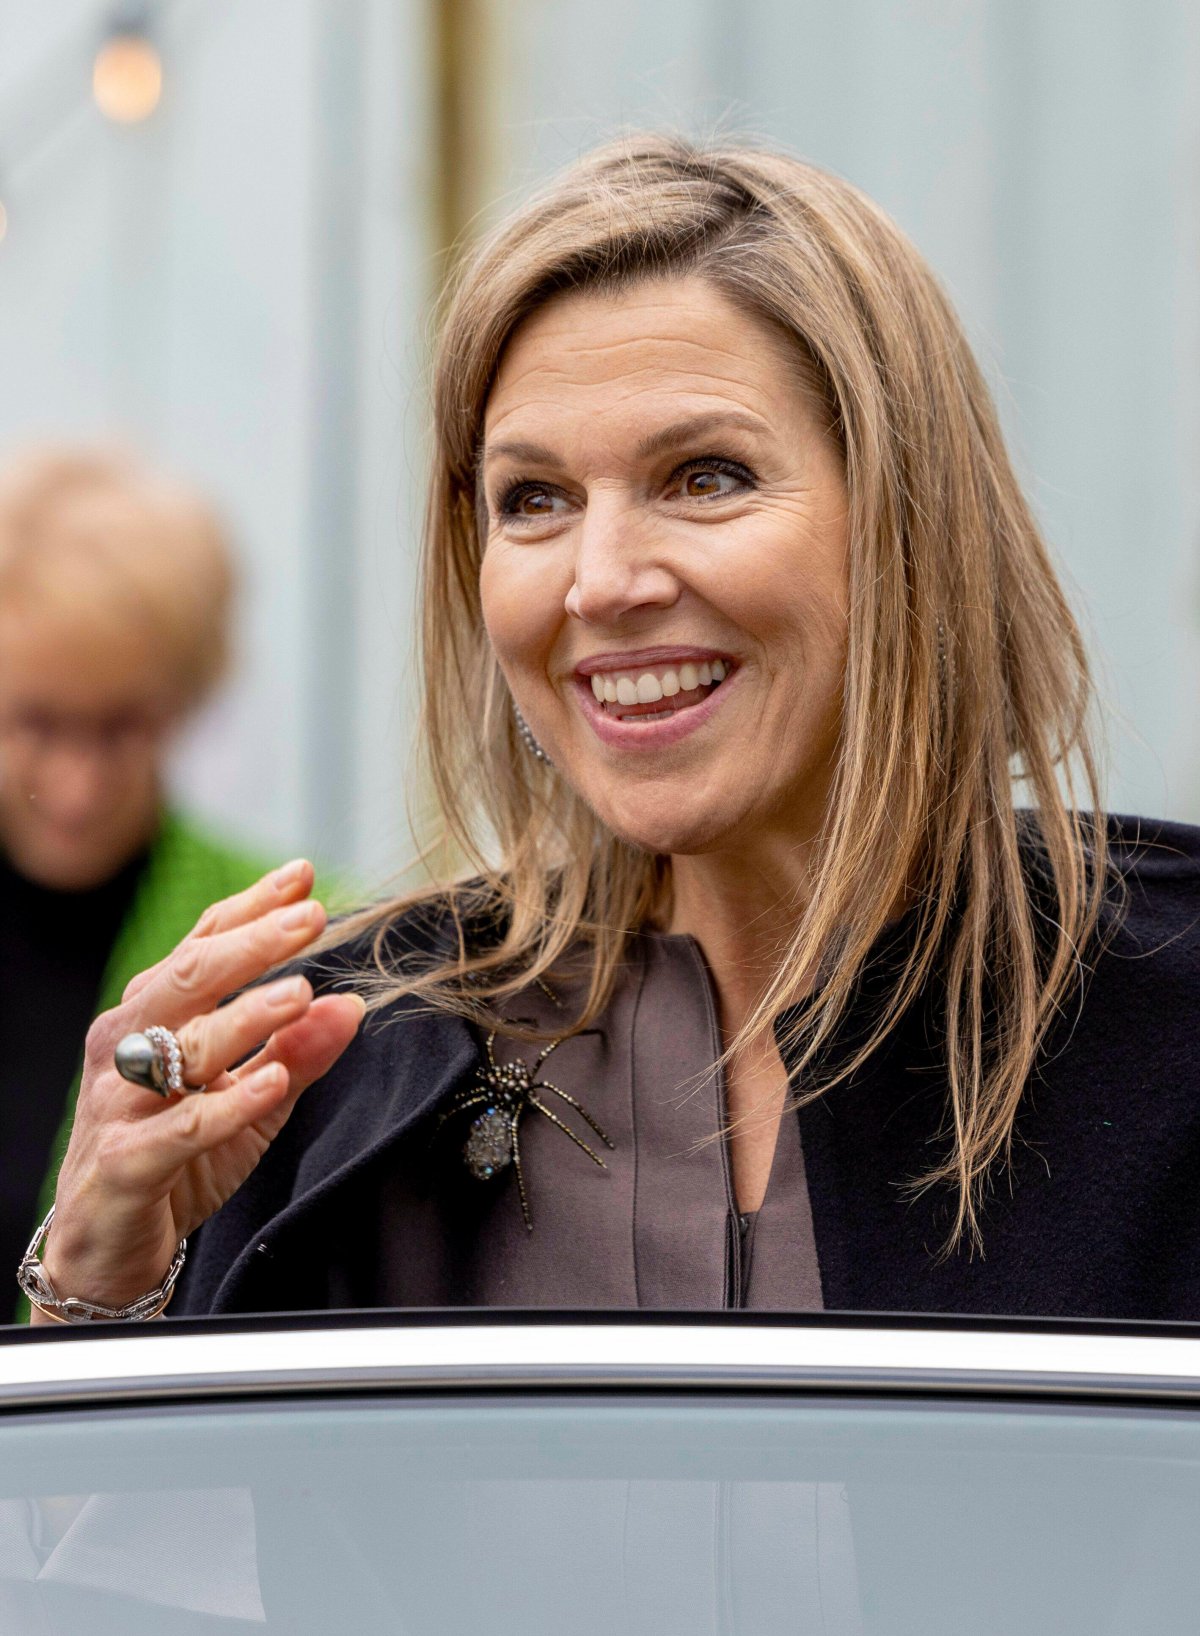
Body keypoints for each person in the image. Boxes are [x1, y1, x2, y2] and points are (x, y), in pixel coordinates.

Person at [22, 137, 1200, 1327]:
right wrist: (101, 1293)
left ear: (909, 522)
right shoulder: (346, 1070)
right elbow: (154, 1522)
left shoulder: (1172, 1028)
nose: (600, 582)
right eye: (534, 499)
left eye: (706, 476)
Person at [0, 448, 273, 1311]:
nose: (76, 788)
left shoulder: (281, 937)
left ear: (186, 699)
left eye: (122, 728)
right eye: (35, 723)